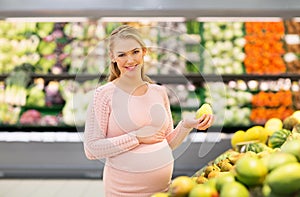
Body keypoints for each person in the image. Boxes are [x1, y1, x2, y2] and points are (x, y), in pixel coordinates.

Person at [83, 25, 214, 196]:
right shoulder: (103, 95)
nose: (130, 60)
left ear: (144, 52)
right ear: (112, 57)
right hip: (122, 193)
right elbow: (91, 149)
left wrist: (186, 126)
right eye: (122, 55)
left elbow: (167, 143)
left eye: (135, 52)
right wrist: (135, 137)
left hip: (163, 190)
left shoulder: (158, 92)